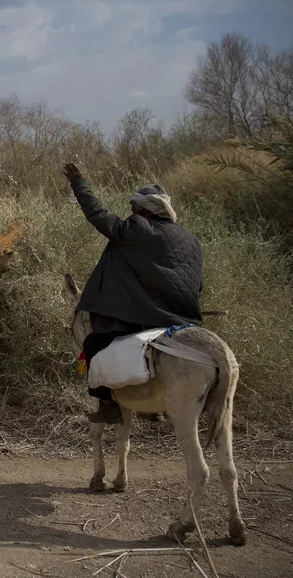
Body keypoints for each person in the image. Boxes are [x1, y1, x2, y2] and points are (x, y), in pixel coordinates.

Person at [63, 161, 204, 424]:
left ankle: (108, 406)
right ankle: (154, 407)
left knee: (94, 344)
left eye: (134, 209)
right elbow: (197, 285)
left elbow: (97, 214)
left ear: (146, 212)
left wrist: (78, 183)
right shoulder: (191, 240)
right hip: (184, 319)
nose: (131, 214)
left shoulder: (136, 229)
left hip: (143, 317)